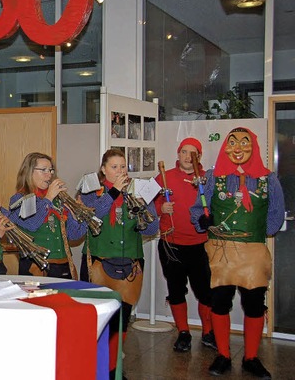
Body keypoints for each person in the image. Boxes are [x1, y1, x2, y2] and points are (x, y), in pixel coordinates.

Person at [190, 127, 285, 378]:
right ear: (225, 147)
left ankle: (251, 358)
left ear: (253, 146)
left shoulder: (268, 179)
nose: (238, 148)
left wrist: (252, 234)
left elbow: (275, 216)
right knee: (220, 304)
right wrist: (201, 219)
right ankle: (223, 355)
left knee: (254, 305)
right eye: (232, 143)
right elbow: (196, 209)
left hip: (253, 252)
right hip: (220, 253)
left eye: (245, 143)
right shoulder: (213, 177)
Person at [81, 148, 159, 380]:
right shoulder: (90, 191)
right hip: (98, 261)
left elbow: (153, 228)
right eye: (114, 167)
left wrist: (144, 208)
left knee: (121, 319)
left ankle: (114, 368)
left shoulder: (137, 191)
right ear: (103, 169)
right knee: (99, 318)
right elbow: (94, 215)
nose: (120, 171)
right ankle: (96, 366)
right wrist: (114, 191)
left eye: (123, 166)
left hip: (130, 263)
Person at [154, 138, 216, 352]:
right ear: (178, 153)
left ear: (199, 155)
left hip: (200, 245)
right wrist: (161, 209)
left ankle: (208, 332)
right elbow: (148, 206)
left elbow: (216, 206)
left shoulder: (208, 179)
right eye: (184, 152)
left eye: (193, 153)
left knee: (205, 292)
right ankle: (183, 332)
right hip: (171, 245)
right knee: (176, 291)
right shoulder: (164, 177)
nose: (188, 157)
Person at [8, 152, 85, 278]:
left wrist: (78, 217)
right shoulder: (19, 199)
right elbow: (32, 224)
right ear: (29, 172)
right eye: (43, 170)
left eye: (51, 170)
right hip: (35, 267)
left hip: (63, 265)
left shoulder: (58, 199)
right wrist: (49, 198)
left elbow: (74, 235)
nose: (49, 174)